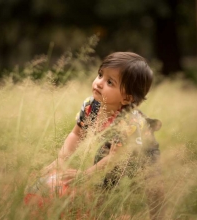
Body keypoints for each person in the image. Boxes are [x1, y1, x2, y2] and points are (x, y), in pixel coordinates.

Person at [30, 52, 165, 219]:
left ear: (126, 98)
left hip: (143, 150)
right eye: (100, 75)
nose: (99, 83)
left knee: (152, 186)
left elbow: (116, 158)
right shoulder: (90, 106)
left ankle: (158, 216)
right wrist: (61, 160)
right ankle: (101, 212)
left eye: (110, 82)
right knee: (104, 185)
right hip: (112, 147)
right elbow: (76, 134)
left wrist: (85, 174)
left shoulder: (128, 122)